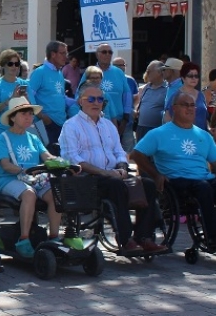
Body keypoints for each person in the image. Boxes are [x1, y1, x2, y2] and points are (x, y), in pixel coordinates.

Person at [60, 81, 167, 255]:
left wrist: (122, 167)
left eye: (100, 99)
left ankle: (144, 237)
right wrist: (105, 172)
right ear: (80, 101)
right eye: (91, 99)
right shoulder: (71, 126)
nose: (96, 103)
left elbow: (119, 151)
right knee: (115, 185)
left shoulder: (108, 125)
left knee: (147, 184)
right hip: (86, 179)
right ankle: (125, 239)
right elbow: (74, 159)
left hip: (113, 175)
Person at [131, 92, 216, 248]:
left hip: (202, 178)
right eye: (185, 105)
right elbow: (136, 155)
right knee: (203, 188)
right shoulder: (159, 133)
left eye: (193, 105)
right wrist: (156, 175)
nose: (190, 109)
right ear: (174, 109)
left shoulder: (204, 135)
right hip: (177, 180)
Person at [0, 97, 62, 258]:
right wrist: (25, 170)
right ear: (12, 117)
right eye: (24, 114)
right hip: (9, 180)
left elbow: (47, 156)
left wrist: (62, 162)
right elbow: (5, 165)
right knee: (29, 194)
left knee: (56, 194)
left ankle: (54, 238)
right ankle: (23, 239)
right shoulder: (2, 138)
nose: (29, 117)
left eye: (31, 114)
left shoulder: (33, 137)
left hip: (34, 180)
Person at [78, 44, 132, 137]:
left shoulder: (119, 72)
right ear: (97, 54)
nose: (107, 54)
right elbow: (79, 94)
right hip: (93, 120)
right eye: (104, 52)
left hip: (119, 120)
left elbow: (127, 94)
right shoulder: (90, 72)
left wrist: (126, 117)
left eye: (110, 52)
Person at [29, 41, 74, 147]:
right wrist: (41, 116)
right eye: (62, 53)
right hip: (46, 124)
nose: (66, 57)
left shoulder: (59, 73)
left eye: (66, 53)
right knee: (48, 160)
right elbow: (29, 95)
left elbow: (61, 97)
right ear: (53, 54)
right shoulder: (40, 72)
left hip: (61, 123)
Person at [0, 49, 30, 143]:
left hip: (19, 131)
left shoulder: (23, 83)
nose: (14, 66)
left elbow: (31, 109)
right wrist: (11, 99)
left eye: (17, 63)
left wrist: (26, 99)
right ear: (3, 65)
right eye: (10, 64)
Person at [164, 62, 208, 130]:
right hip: (183, 137)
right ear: (183, 78)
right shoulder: (176, 96)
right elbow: (167, 118)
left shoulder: (201, 95)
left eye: (196, 76)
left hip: (200, 136)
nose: (194, 78)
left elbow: (204, 118)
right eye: (190, 76)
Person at [135, 60, 167, 143]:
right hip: (141, 129)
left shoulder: (167, 89)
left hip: (157, 129)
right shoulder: (144, 88)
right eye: (147, 70)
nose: (147, 73)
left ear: (160, 72)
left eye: (149, 71)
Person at [113, 56, 139, 152]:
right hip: (112, 118)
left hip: (128, 119)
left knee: (127, 146)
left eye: (123, 65)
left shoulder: (130, 80)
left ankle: (125, 165)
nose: (121, 67)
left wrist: (134, 109)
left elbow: (136, 97)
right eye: (117, 65)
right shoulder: (107, 79)